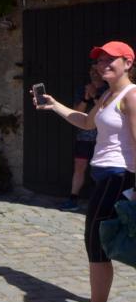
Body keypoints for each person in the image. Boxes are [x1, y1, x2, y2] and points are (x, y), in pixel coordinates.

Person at [36, 40, 136, 302]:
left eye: (110, 60)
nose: (103, 65)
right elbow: (86, 123)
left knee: (97, 242)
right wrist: (54, 105)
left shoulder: (131, 96)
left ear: (128, 63)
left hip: (119, 177)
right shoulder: (106, 95)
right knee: (101, 242)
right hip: (105, 178)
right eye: (99, 60)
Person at [59, 65, 108, 211]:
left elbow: (104, 112)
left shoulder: (109, 90)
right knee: (79, 166)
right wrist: (86, 98)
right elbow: (76, 113)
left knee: (100, 168)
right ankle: (73, 199)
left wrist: (95, 96)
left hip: (103, 137)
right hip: (84, 136)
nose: (94, 74)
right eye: (91, 71)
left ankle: (100, 200)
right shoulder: (82, 89)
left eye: (96, 71)